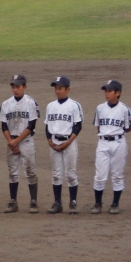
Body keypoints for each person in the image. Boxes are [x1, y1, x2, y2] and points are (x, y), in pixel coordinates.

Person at [0, 74, 39, 213]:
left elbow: (32, 125)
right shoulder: (6, 104)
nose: (15, 89)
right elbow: (4, 125)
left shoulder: (31, 103)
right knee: (13, 172)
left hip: (26, 141)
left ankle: (33, 201)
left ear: (24, 87)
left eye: (18, 86)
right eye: (13, 87)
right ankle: (13, 202)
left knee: (30, 170)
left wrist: (16, 141)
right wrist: (11, 142)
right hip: (11, 141)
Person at [91, 79, 131, 215]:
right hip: (102, 142)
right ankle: (98, 203)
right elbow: (98, 126)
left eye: (109, 91)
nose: (106, 94)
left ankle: (115, 204)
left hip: (118, 143)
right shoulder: (100, 108)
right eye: (106, 91)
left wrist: (115, 133)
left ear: (118, 93)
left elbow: (128, 127)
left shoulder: (124, 109)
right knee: (99, 175)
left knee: (117, 175)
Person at [43, 76, 83, 214]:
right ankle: (57, 203)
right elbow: (47, 125)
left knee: (71, 174)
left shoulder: (74, 105)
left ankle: (73, 202)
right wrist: (49, 141)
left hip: (69, 142)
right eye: (56, 88)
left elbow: (78, 126)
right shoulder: (50, 106)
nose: (57, 91)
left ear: (68, 89)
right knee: (56, 174)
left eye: (60, 88)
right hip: (54, 142)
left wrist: (68, 142)